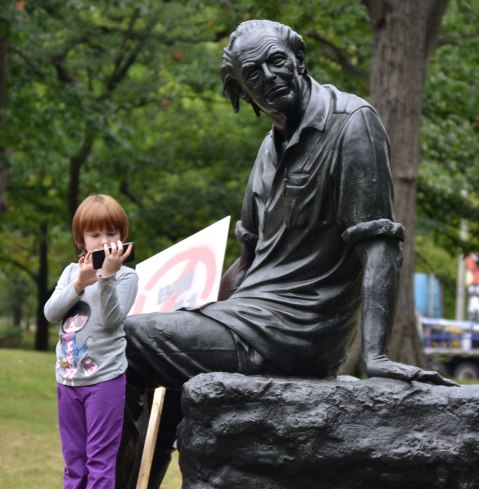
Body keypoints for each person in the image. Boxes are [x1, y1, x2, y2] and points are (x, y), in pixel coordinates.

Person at [117, 20, 456, 489]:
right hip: (247, 318)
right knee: (150, 349)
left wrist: (375, 355)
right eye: (254, 74)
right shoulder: (266, 150)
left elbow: (379, 242)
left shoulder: (351, 123)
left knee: (127, 341)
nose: (271, 76)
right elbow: (248, 261)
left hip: (296, 331)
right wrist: (182, 305)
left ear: (297, 58)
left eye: (277, 61)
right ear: (243, 94)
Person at [44, 194, 138, 489]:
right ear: (81, 239)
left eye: (111, 233)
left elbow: (112, 321)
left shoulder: (126, 277)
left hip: (104, 380)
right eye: (94, 234)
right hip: (68, 380)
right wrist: (79, 284)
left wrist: (106, 278)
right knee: (74, 461)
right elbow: (51, 312)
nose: (103, 240)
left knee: (99, 461)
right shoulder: (72, 273)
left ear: (122, 236)